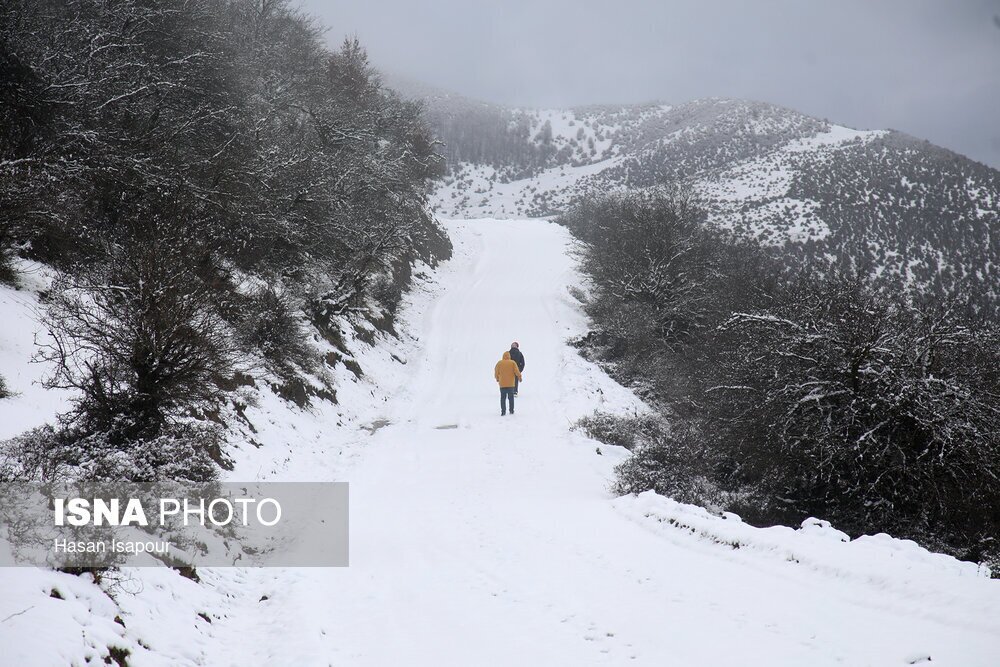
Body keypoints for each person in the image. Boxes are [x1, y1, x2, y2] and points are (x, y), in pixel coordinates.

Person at [494, 350, 522, 416]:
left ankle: (503, 411)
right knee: (511, 398)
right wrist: (519, 377)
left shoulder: (499, 363)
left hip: (502, 384)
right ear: (509, 356)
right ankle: (511, 410)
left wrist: (497, 379)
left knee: (503, 398)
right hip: (511, 384)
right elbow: (517, 371)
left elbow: (496, 372)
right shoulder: (512, 363)